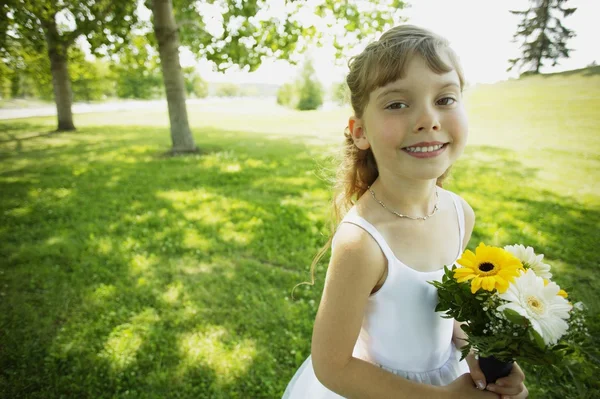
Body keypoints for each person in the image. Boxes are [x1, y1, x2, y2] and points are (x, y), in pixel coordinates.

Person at [282, 25, 528, 399]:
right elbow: (332, 366)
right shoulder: (361, 242)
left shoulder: (459, 213)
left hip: (447, 374)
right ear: (360, 131)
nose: (428, 119)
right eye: (398, 104)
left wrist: (483, 353)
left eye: (445, 99)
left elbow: (448, 312)